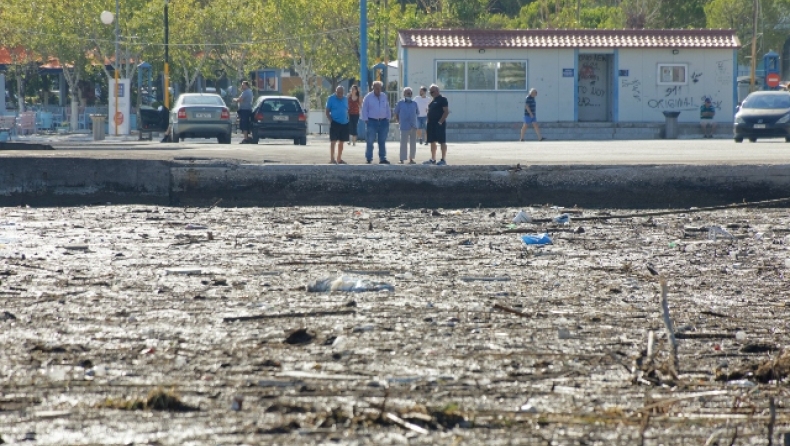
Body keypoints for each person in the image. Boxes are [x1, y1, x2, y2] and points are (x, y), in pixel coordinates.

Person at [361, 81, 391, 164]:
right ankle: (369, 158)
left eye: (379, 88)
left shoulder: (384, 96)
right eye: (376, 88)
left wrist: (388, 118)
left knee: (382, 141)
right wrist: (366, 119)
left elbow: (387, 108)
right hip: (372, 121)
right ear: (373, 87)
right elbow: (364, 109)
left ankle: (382, 158)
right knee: (370, 141)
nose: (378, 89)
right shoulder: (368, 97)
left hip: (383, 121)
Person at [392, 87, 420, 164]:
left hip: (413, 126)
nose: (409, 95)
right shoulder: (400, 103)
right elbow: (396, 113)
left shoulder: (415, 103)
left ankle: (411, 158)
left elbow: (417, 113)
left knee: (413, 143)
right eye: (408, 93)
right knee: (403, 143)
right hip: (404, 126)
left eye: (411, 93)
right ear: (404, 94)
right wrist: (398, 121)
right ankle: (402, 159)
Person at [424, 84, 450, 165]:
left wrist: (440, 122)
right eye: (430, 92)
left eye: (432, 91)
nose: (431, 93)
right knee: (432, 141)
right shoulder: (432, 101)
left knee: (442, 141)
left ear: (437, 91)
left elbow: (446, 111)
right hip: (431, 124)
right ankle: (433, 159)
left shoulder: (442, 99)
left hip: (439, 124)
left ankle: (443, 159)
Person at [325, 85, 350, 164]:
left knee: (342, 142)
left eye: (341, 93)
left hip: (344, 123)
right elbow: (327, 111)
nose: (340, 94)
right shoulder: (331, 99)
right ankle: (332, 159)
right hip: (335, 122)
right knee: (333, 141)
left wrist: (347, 119)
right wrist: (331, 120)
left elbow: (347, 110)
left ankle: (339, 158)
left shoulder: (345, 99)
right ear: (336, 91)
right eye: (338, 92)